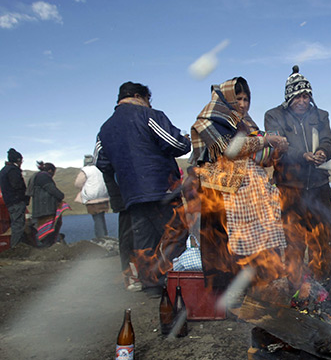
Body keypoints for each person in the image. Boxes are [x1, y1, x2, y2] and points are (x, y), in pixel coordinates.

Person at [191, 76, 288, 289]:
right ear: (226, 100)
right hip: (218, 192)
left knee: (256, 240)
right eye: (238, 99)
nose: (243, 104)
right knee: (221, 244)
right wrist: (265, 141)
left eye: (246, 99)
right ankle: (225, 293)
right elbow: (229, 149)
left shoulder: (245, 123)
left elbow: (259, 156)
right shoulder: (207, 121)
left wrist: (275, 148)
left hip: (247, 193)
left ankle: (257, 287)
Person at [96, 81, 191, 291]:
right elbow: (175, 144)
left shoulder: (105, 129)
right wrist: (186, 140)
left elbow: (100, 161)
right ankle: (174, 282)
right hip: (161, 189)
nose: (149, 104)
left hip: (131, 195)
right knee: (175, 233)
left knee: (144, 239)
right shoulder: (148, 115)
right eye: (148, 100)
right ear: (140, 96)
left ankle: (151, 286)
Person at [264, 66, 331, 286]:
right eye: (298, 96)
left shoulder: (320, 115)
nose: (303, 101)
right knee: (294, 242)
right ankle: (296, 287)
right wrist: (303, 156)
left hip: (319, 187)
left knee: (322, 240)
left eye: (306, 96)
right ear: (289, 96)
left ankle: (323, 286)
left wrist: (323, 152)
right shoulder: (273, 116)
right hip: (290, 188)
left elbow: (329, 140)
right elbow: (278, 149)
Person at [29, 161, 69, 247]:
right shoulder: (44, 177)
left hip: (39, 209)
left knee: (41, 230)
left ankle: (44, 247)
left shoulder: (37, 176)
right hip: (46, 210)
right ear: (51, 170)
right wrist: (61, 196)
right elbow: (52, 190)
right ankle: (47, 248)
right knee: (48, 231)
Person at [74, 155, 110, 239]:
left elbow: (78, 184)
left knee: (97, 217)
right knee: (101, 216)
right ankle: (104, 235)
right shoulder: (99, 169)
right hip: (103, 196)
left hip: (92, 198)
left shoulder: (85, 171)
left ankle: (101, 237)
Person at [0, 148, 28, 248]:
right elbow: (17, 185)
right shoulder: (13, 170)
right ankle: (16, 247)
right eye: (21, 160)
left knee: (16, 223)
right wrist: (24, 195)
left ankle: (20, 245)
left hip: (10, 202)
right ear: (17, 160)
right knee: (18, 225)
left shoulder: (3, 170)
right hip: (16, 201)